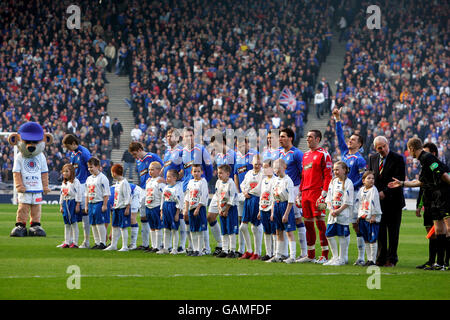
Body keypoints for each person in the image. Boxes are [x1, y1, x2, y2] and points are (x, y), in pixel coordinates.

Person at [388, 138, 450, 270]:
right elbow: (420, 182)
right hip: (435, 196)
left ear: (411, 148)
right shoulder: (423, 160)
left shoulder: (428, 158)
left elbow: (443, 174)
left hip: (443, 194)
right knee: (439, 229)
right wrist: (402, 183)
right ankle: (439, 263)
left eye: (408, 149)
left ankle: (445, 263)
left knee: (448, 228)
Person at [332, 108, 367, 266]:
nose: (349, 141)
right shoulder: (345, 154)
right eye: (350, 139)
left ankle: (361, 257)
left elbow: (363, 177)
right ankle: (342, 256)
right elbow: (339, 137)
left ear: (359, 144)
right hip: (342, 193)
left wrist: (351, 185)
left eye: (353, 140)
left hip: (354, 194)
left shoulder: (360, 159)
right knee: (343, 223)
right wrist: (337, 119)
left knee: (356, 224)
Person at [368, 136, 406, 267]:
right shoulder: (373, 158)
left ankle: (392, 259)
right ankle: (381, 257)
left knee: (393, 231)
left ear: (388, 144)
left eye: (384, 146)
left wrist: (385, 192)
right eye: (379, 147)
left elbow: (399, 180)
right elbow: (372, 178)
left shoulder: (398, 158)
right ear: (375, 148)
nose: (383, 149)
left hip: (394, 201)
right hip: (379, 202)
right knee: (381, 231)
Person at [297, 130, 333, 264]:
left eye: (310, 137)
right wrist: (300, 192)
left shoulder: (324, 154)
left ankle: (325, 254)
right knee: (308, 224)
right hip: (305, 193)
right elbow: (303, 176)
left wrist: (324, 194)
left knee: (320, 222)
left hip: (317, 192)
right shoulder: (305, 155)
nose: (307, 139)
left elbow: (328, 175)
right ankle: (310, 255)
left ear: (318, 139)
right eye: (307, 137)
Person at [180, 127, 213, 254]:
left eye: (191, 135)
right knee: (187, 217)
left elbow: (209, 167)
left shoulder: (201, 149)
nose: (189, 138)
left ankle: (206, 247)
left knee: (201, 218)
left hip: (199, 187)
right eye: (186, 136)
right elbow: (180, 168)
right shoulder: (182, 152)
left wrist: (204, 179)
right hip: (187, 187)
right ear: (183, 138)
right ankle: (192, 246)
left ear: (194, 136)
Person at [277, 128, 307, 260]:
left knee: (298, 219)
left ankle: (304, 252)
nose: (280, 139)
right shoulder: (280, 154)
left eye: (283, 136)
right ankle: (282, 252)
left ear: (290, 138)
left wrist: (300, 191)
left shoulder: (297, 153)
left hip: (294, 189)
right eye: (280, 136)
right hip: (282, 190)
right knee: (282, 220)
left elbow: (303, 173)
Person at [128, 141, 163, 251]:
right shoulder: (138, 161)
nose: (134, 156)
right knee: (143, 216)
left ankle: (159, 244)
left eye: (135, 154)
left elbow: (162, 167)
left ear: (139, 150)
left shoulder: (152, 156)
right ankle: (145, 244)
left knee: (155, 215)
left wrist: (162, 179)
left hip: (154, 189)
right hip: (144, 189)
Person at [415, 143, 445, 269]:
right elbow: (422, 187)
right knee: (431, 232)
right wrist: (418, 205)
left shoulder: (436, 167)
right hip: (427, 204)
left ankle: (442, 261)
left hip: (438, 202)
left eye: (426, 152)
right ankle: (432, 261)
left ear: (433, 154)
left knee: (441, 230)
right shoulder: (424, 167)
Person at [208, 133, 237, 256]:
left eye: (216, 145)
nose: (215, 148)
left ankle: (235, 249)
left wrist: (237, 191)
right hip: (219, 190)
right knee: (210, 217)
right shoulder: (219, 156)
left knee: (235, 221)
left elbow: (235, 173)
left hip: (230, 190)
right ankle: (221, 245)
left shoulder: (233, 154)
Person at [62, 134, 92, 249]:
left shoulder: (84, 153)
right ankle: (69, 241)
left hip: (83, 184)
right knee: (71, 214)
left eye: (69, 146)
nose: (68, 149)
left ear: (74, 143)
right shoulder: (73, 153)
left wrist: (89, 183)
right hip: (74, 184)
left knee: (84, 212)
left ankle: (86, 241)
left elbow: (91, 167)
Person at [323, 161, 354, 266]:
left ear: (344, 170)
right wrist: (331, 209)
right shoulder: (333, 182)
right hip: (332, 214)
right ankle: (335, 257)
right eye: (334, 169)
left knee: (342, 235)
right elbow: (329, 198)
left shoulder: (349, 183)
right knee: (329, 234)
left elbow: (348, 201)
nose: (335, 172)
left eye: (337, 169)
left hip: (342, 214)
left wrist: (338, 211)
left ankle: (342, 258)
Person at [267, 159, 297, 264]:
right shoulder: (274, 180)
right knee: (278, 231)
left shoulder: (288, 181)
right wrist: (272, 212)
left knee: (289, 232)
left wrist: (286, 214)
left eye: (278, 167)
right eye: (274, 168)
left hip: (285, 206)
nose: (276, 170)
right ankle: (278, 255)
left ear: (284, 167)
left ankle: (292, 256)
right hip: (277, 205)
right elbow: (273, 198)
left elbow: (291, 200)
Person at [234, 136, 258, 258]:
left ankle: (257, 251)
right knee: (241, 221)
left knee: (255, 223)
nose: (240, 147)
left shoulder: (254, 155)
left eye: (243, 144)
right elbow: (236, 175)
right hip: (242, 193)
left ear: (248, 143)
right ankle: (242, 248)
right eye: (238, 144)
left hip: (253, 194)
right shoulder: (237, 156)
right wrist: (238, 191)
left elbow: (258, 174)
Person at [353, 171, 383, 266]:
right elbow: (358, 203)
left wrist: (374, 216)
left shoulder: (374, 190)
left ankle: (373, 260)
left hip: (371, 219)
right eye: (368, 178)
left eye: (373, 178)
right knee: (366, 239)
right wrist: (358, 216)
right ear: (363, 181)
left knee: (372, 239)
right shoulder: (361, 190)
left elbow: (375, 203)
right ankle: (369, 259)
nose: (371, 180)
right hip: (363, 218)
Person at [239, 155, 264, 260]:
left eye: (259, 164)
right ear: (252, 164)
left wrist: (249, 191)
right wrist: (244, 191)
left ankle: (257, 252)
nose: (257, 166)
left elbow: (260, 188)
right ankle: (249, 250)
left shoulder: (263, 174)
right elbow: (242, 184)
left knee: (255, 227)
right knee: (243, 227)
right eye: (255, 164)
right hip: (248, 199)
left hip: (257, 199)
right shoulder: (249, 173)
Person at [183, 164, 209, 256]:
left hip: (199, 208)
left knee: (200, 230)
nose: (196, 173)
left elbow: (203, 196)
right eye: (194, 171)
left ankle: (200, 250)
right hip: (191, 208)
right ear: (191, 172)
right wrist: (186, 209)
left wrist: (198, 208)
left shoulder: (203, 182)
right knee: (193, 229)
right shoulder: (190, 182)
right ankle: (194, 249)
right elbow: (187, 196)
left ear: (202, 172)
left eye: (198, 171)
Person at [85, 157, 111, 250]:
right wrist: (86, 205)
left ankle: (102, 242)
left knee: (100, 223)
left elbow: (106, 193)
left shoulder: (103, 178)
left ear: (97, 167)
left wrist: (104, 205)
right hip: (91, 203)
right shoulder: (88, 179)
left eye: (91, 167)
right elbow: (86, 193)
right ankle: (96, 242)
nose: (90, 169)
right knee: (93, 223)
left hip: (99, 202)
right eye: (88, 167)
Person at [214, 164, 239, 258]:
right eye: (218, 173)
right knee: (224, 230)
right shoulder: (218, 182)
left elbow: (232, 197)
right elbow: (217, 196)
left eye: (221, 173)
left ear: (228, 174)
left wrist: (227, 210)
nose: (219, 175)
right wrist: (219, 209)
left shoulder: (231, 183)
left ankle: (232, 250)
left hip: (230, 209)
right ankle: (224, 250)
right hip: (222, 208)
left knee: (231, 229)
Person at [105, 164, 131, 251]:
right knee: (115, 226)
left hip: (123, 207)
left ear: (115, 173)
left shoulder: (124, 183)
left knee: (123, 227)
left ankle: (124, 246)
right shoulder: (117, 183)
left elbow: (127, 195)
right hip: (116, 207)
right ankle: (113, 245)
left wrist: (127, 207)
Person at [158, 169, 184, 254]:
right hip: (166, 207)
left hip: (173, 208)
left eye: (169, 177)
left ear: (175, 178)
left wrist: (177, 213)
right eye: (167, 176)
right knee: (166, 229)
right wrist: (161, 211)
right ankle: (166, 248)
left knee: (174, 229)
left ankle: (174, 248)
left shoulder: (178, 188)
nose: (167, 178)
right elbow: (162, 199)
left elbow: (179, 201)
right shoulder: (165, 188)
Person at [58, 164, 82, 248]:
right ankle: (67, 241)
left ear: (71, 172)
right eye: (64, 171)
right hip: (65, 203)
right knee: (67, 223)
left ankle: (75, 243)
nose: (65, 173)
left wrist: (78, 204)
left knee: (73, 223)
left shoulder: (75, 182)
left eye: (67, 171)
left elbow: (78, 193)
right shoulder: (64, 183)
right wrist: (61, 205)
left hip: (72, 202)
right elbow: (61, 194)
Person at [144, 161, 166, 253]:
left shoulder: (160, 182)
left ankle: (158, 245)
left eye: (152, 170)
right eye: (149, 170)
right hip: (149, 205)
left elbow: (163, 196)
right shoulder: (149, 181)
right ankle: (153, 246)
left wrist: (161, 208)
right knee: (152, 227)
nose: (150, 171)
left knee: (158, 226)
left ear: (158, 170)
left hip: (156, 206)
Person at [258, 159, 277, 261]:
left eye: (266, 167)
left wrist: (273, 211)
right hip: (263, 209)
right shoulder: (264, 180)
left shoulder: (275, 180)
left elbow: (274, 197)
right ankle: (268, 253)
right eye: (263, 167)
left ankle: (275, 253)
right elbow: (261, 195)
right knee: (266, 231)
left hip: (271, 209)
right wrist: (259, 210)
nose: (264, 169)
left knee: (274, 231)